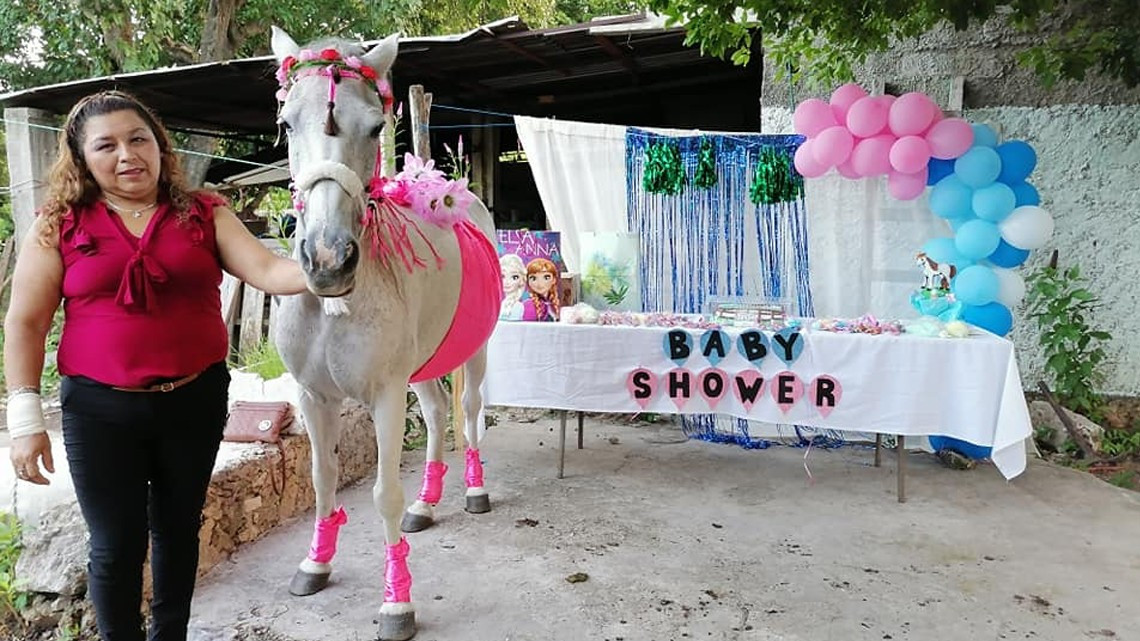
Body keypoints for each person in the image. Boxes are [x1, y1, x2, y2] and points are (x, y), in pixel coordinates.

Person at [3, 90, 308, 641]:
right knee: (115, 544)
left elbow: (267, 269)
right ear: (82, 159)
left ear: (160, 146)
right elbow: (25, 322)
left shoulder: (203, 211)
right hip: (99, 410)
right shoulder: (60, 223)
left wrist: (325, 268)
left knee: (177, 531)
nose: (127, 155)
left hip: (194, 400)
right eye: (107, 145)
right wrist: (25, 419)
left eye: (138, 138)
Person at [522, 258, 560, 322]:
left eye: (546, 277)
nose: (540, 283)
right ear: (528, 281)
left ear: (554, 280)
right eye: (533, 278)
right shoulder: (528, 306)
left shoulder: (554, 304)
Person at [498, 253, 527, 320]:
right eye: (503, 276)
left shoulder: (518, 306)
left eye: (514, 277)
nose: (507, 282)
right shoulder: (501, 304)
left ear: (521, 280)